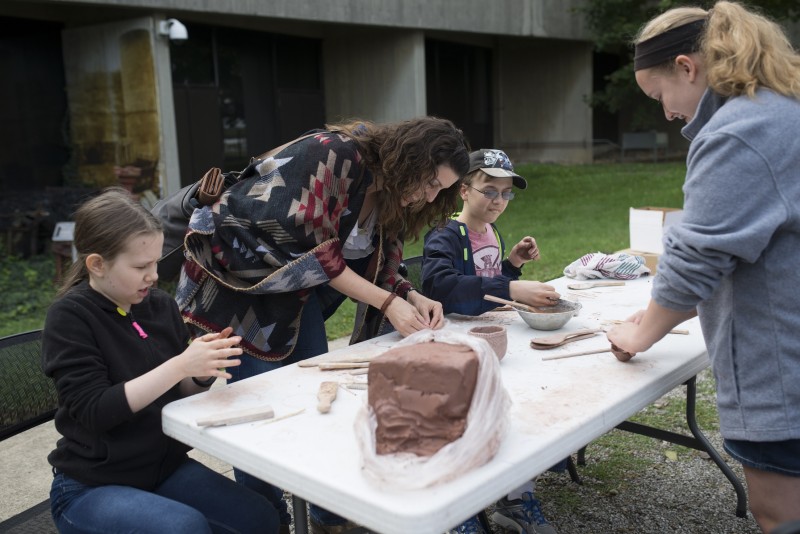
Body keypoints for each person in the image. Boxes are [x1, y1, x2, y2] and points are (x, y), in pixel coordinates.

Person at [176, 116, 470, 533]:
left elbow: (375, 258)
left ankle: (328, 515)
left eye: (440, 189)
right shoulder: (334, 154)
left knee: (317, 400)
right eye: (430, 182)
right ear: (410, 159)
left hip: (294, 293)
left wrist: (409, 294)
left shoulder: (390, 191)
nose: (429, 195)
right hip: (237, 286)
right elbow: (319, 254)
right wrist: (388, 303)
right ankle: (270, 521)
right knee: (259, 414)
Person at [606, 2, 800, 532]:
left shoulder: (740, 130)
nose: (666, 113)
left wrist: (641, 332)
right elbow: (749, 246)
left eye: (659, 96)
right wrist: (664, 312)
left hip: (783, 373)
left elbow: (698, 256)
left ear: (686, 68)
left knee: (780, 515)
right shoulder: (782, 110)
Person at [42, 188, 280, 533]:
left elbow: (178, 392)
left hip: (161, 469)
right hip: (91, 484)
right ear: (97, 264)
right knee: (183, 528)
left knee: (260, 517)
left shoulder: (159, 306)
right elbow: (95, 411)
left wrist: (200, 372)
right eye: (141, 266)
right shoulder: (70, 317)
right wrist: (179, 365)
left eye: (155, 262)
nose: (153, 275)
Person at [423, 148, 560, 534]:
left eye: (505, 193)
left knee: (518, 406)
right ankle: (458, 508)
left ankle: (515, 497)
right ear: (464, 190)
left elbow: (488, 285)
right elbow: (442, 287)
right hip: (452, 348)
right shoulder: (445, 235)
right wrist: (512, 287)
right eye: (489, 191)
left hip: (490, 340)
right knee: (465, 421)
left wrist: (511, 265)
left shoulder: (490, 232)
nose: (498, 201)